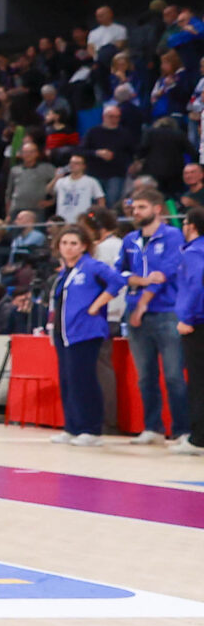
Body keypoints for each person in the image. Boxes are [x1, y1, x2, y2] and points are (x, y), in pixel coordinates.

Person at [118, 183, 186, 443]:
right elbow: (119, 272)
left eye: (142, 207)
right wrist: (141, 280)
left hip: (167, 313)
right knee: (145, 376)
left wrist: (144, 299)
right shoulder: (129, 240)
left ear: (157, 209)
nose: (136, 211)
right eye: (134, 207)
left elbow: (167, 272)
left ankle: (182, 430)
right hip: (136, 313)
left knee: (173, 375)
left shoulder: (173, 236)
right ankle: (153, 427)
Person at [50, 225, 121, 446]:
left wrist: (96, 305)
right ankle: (72, 427)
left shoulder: (92, 266)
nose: (68, 248)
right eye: (64, 243)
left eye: (74, 243)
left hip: (85, 332)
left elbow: (117, 281)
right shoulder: (64, 272)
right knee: (68, 380)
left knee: (84, 380)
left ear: (83, 246)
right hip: (64, 333)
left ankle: (91, 429)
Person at [176, 195, 204, 455]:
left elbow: (195, 285)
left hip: (197, 323)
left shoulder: (194, 252)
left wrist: (187, 317)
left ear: (191, 226)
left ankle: (198, 439)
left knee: (197, 381)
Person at [4, 137, 55, 220]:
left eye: (31, 152)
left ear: (37, 153)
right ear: (21, 154)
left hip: (37, 209)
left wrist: (52, 202)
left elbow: (59, 184)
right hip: (16, 209)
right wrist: (8, 214)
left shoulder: (47, 168)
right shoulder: (15, 170)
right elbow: (9, 192)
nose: (28, 154)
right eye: (25, 152)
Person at [54, 153, 102, 225]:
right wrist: (56, 178)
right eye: (71, 163)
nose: (72, 165)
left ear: (83, 166)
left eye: (76, 163)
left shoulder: (91, 181)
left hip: (81, 221)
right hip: (62, 221)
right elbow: (49, 192)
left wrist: (95, 216)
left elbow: (100, 199)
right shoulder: (61, 181)